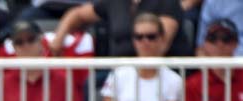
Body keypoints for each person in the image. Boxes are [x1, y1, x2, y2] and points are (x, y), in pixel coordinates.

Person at [50, 0, 189, 59]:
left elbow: (160, 45)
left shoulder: (167, 2)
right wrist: (58, 38)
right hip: (119, 72)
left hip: (159, 74)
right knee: (88, 86)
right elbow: (77, 14)